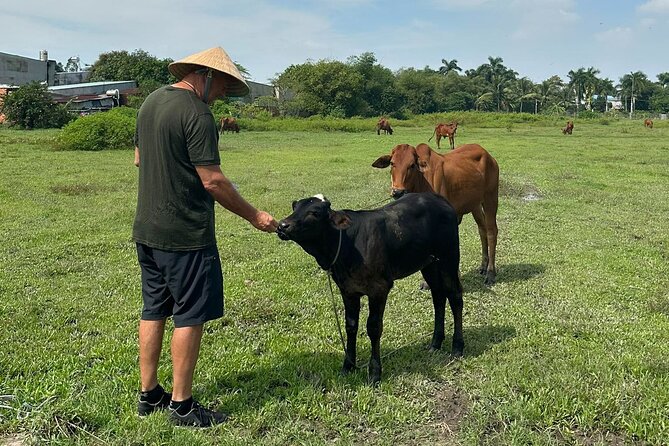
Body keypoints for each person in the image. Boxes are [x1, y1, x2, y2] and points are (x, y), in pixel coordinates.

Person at [133, 46, 278, 427]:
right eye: (222, 88)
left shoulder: (150, 102)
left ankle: (149, 394)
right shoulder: (196, 113)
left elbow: (137, 158)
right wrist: (254, 215)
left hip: (147, 229)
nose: (220, 96)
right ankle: (182, 404)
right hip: (186, 234)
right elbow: (212, 180)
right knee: (190, 314)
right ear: (206, 76)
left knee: (154, 308)